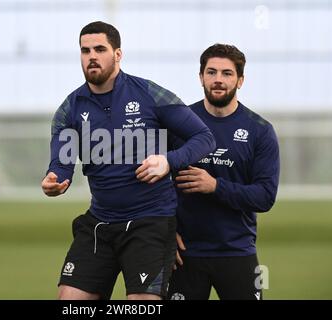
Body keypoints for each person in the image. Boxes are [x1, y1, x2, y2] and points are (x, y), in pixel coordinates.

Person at [41, 21, 215, 300]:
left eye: (100, 49)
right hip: (100, 223)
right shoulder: (70, 108)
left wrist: (168, 161)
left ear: (118, 54)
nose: (92, 56)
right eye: (85, 51)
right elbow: (61, 163)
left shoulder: (149, 94)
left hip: (150, 223)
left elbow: (204, 138)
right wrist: (54, 179)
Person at [167, 44, 280, 300]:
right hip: (185, 255)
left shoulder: (260, 130)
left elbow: (265, 197)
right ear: (201, 77)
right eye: (211, 72)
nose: (218, 79)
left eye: (227, 73)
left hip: (238, 251)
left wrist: (215, 186)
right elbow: (153, 181)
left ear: (240, 80)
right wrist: (164, 231)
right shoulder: (177, 124)